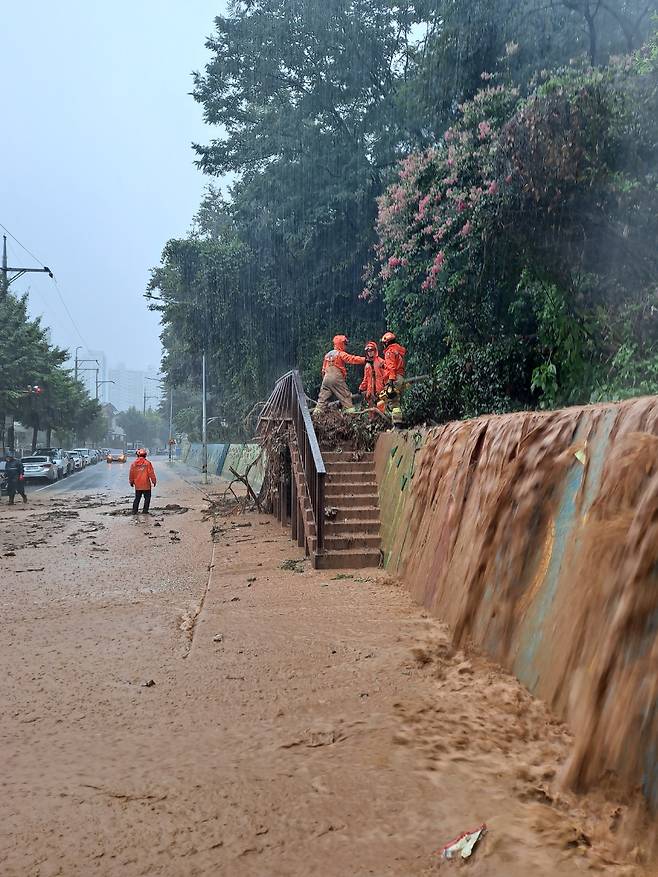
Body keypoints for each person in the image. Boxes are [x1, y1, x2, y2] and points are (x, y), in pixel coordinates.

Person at [315, 334, 365, 413]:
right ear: (341, 344)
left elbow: (323, 370)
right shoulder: (340, 353)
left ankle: (316, 416)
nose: (346, 346)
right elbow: (352, 359)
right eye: (345, 344)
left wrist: (325, 380)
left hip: (326, 378)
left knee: (321, 401)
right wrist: (364, 360)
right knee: (346, 396)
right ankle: (351, 415)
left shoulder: (327, 355)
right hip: (336, 378)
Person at [129, 448, 157, 514]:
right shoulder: (147, 463)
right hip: (146, 485)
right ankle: (145, 511)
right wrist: (154, 481)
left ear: (137, 455)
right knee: (147, 499)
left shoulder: (134, 464)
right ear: (145, 455)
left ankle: (134, 511)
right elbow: (151, 473)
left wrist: (131, 482)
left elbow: (131, 474)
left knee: (137, 499)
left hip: (138, 485)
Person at [359, 340, 385, 408]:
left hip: (380, 391)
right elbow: (366, 379)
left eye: (371, 350)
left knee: (381, 410)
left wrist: (386, 387)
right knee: (372, 413)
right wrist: (361, 388)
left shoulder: (381, 362)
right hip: (371, 393)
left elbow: (386, 376)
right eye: (368, 351)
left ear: (375, 351)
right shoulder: (367, 365)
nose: (370, 352)